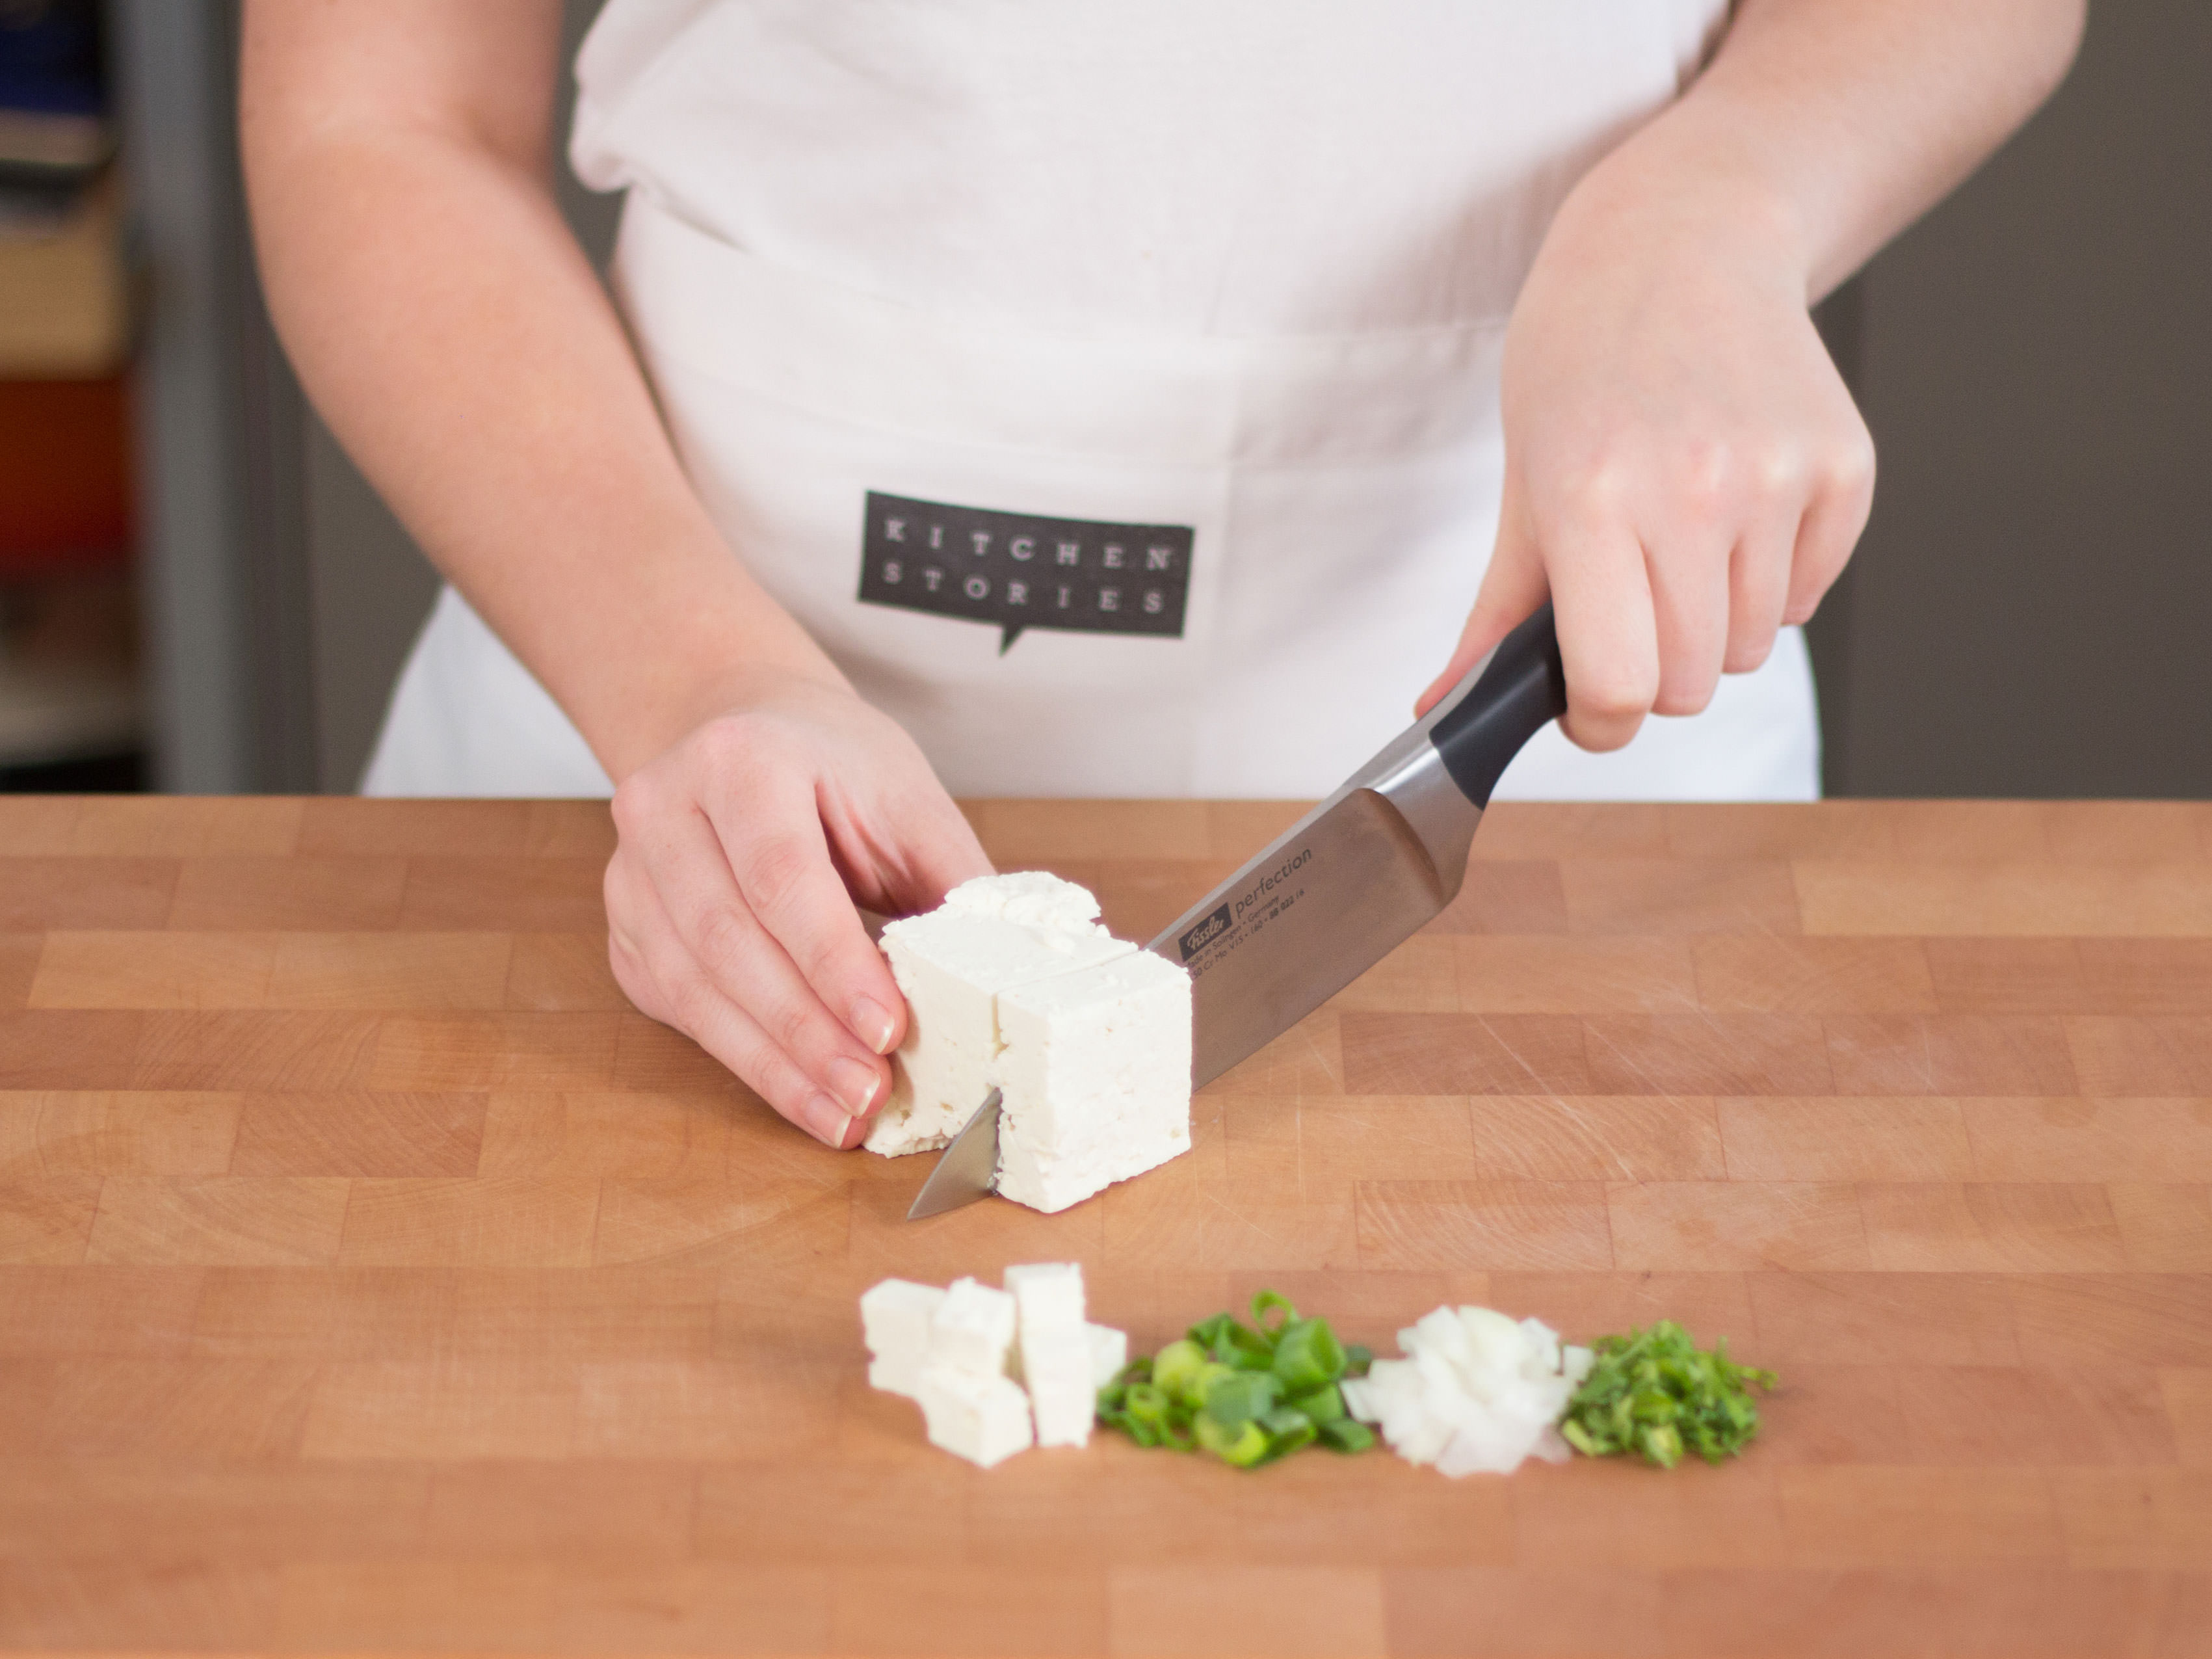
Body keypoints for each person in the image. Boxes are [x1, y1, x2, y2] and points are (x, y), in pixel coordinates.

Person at [241, 1, 2084, 1152]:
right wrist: (680, 680)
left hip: (1577, 731)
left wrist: (1711, 209)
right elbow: (379, 109)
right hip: (654, 695)